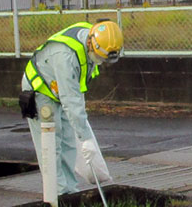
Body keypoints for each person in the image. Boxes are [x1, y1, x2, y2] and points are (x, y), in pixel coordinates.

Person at [20, 20, 123, 195]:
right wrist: (86, 139)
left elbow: (74, 94)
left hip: (57, 89)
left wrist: (82, 136)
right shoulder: (66, 57)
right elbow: (71, 100)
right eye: (100, 58)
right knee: (51, 144)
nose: (100, 62)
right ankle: (57, 196)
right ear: (91, 44)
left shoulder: (93, 38)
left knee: (68, 141)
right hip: (40, 90)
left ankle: (70, 192)